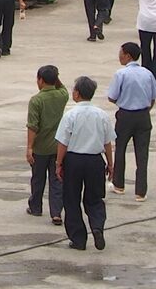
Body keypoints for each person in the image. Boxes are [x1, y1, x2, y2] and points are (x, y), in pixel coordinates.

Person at [54, 76, 114, 251]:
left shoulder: (70, 115)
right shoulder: (101, 115)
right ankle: (97, 226)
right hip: (95, 160)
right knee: (95, 198)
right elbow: (108, 142)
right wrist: (110, 163)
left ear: (77, 94)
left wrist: (58, 163)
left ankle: (78, 239)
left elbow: (63, 143)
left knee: (71, 199)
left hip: (74, 160)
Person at [104, 42, 156, 201]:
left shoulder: (121, 74)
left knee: (120, 148)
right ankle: (140, 191)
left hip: (126, 115)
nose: (119, 56)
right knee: (142, 153)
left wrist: (124, 102)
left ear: (127, 55)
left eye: (121, 53)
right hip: (143, 115)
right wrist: (145, 109)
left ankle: (119, 184)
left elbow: (111, 96)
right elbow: (153, 96)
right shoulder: (147, 73)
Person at [24, 65, 68, 225]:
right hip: (58, 147)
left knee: (38, 178)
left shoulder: (36, 100)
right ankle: (56, 212)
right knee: (57, 180)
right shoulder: (62, 95)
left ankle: (36, 206)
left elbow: (32, 126)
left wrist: (29, 147)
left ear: (40, 80)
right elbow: (61, 86)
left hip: (40, 148)